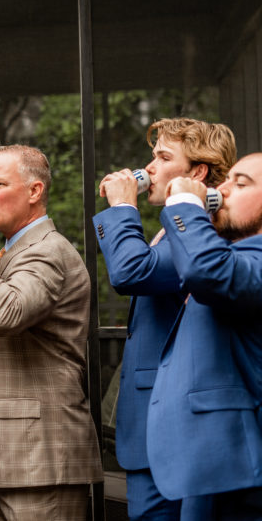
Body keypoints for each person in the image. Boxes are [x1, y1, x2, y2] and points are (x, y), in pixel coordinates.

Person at [0, 144, 102, 520]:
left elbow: (5, 313)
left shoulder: (46, 250)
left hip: (40, 457)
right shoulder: (11, 251)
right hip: (17, 458)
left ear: (34, 191)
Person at [94, 118, 235, 521]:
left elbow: (131, 272)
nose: (149, 167)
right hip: (154, 429)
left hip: (178, 430)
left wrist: (123, 208)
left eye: (163, 157)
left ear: (198, 173)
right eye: (152, 156)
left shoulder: (204, 231)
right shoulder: (169, 230)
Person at [144, 154, 262, 520]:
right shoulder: (231, 254)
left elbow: (208, 271)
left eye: (241, 184)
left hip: (244, 470)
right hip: (212, 466)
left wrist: (184, 203)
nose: (221, 189)